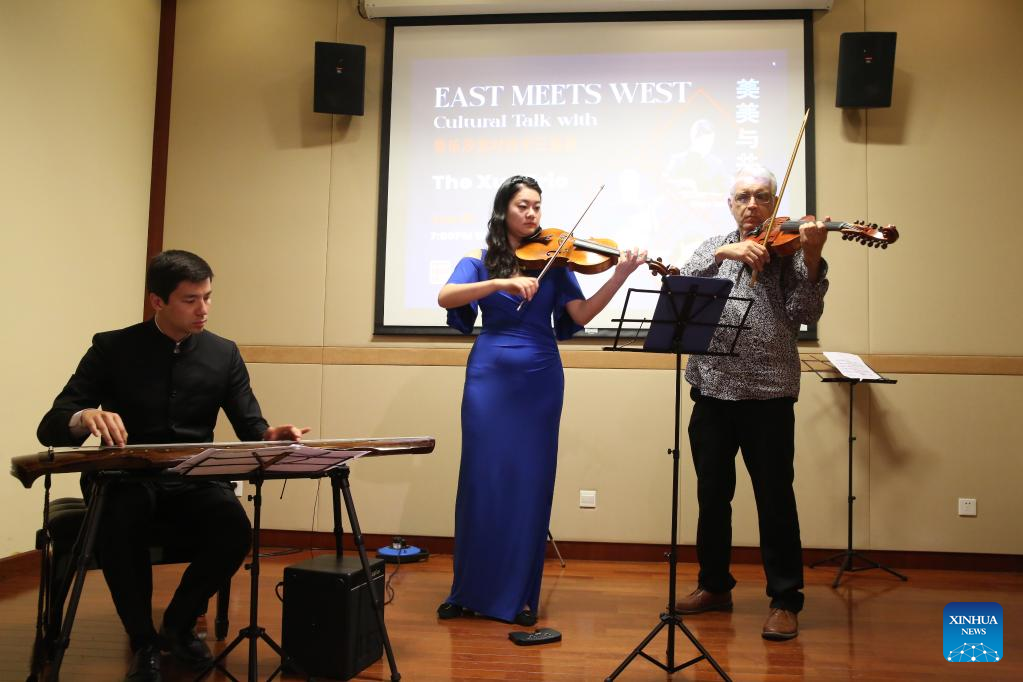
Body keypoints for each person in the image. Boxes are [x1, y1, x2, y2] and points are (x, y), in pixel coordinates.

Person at [37, 250, 308, 682]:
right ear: (157, 301)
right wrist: (83, 417)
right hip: (123, 479)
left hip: (191, 479)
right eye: (190, 299)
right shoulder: (112, 347)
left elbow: (251, 427)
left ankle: (178, 624)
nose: (203, 309)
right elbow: (51, 425)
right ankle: (143, 641)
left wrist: (270, 435)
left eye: (208, 297)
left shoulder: (223, 353)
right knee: (122, 519)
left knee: (234, 527)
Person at [436, 175, 646, 625]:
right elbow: (445, 296)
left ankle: (520, 596)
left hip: (539, 376)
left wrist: (620, 275)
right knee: (481, 480)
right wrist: (501, 283)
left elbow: (580, 314)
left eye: (537, 206)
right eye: (523, 206)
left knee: (530, 481)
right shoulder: (478, 260)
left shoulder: (557, 260)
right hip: (489, 376)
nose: (532, 214)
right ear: (503, 211)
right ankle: (466, 590)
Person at [674, 165, 829, 641]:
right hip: (712, 388)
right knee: (711, 495)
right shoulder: (714, 246)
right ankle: (714, 586)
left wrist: (813, 255)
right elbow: (680, 283)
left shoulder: (791, 254)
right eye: (743, 197)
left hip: (769, 392)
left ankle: (785, 599)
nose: (752, 205)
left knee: (775, 498)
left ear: (774, 204)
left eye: (762, 197)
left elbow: (805, 313)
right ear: (730, 204)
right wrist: (726, 251)